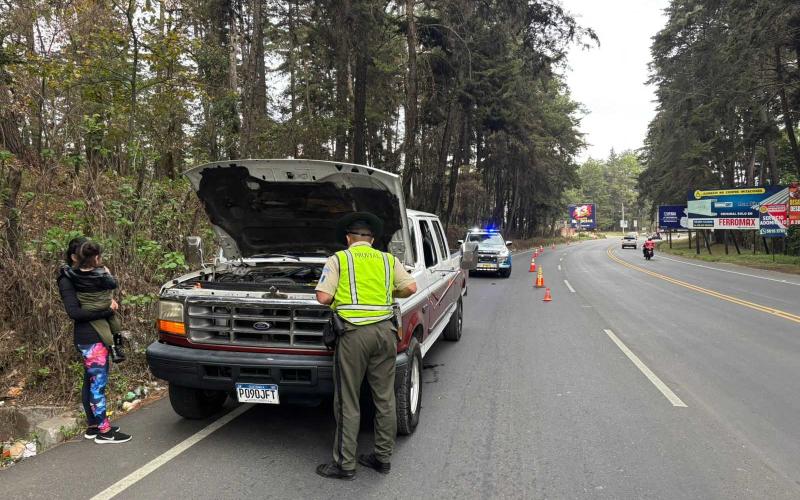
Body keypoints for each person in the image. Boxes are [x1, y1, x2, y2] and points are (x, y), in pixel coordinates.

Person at [314, 212, 417, 480]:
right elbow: (411, 288)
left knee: (348, 400)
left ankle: (345, 464)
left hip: (353, 335)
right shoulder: (388, 259)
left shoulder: (339, 259)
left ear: (349, 238)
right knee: (384, 398)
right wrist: (387, 293)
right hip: (385, 333)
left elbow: (324, 297)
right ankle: (382, 458)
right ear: (371, 239)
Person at [58, 237, 132, 444]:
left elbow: (107, 288)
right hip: (90, 337)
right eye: (90, 257)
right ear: (74, 257)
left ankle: (94, 426)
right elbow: (75, 313)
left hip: (96, 335)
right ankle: (105, 432)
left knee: (90, 382)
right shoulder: (67, 279)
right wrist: (107, 309)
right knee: (97, 384)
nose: (96, 260)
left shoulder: (94, 275)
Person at [63, 240, 126, 362]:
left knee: (111, 325)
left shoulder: (73, 274)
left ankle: (116, 349)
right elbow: (113, 284)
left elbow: (67, 271)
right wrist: (108, 274)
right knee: (110, 327)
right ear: (96, 258)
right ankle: (116, 349)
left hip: (92, 307)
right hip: (99, 307)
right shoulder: (101, 273)